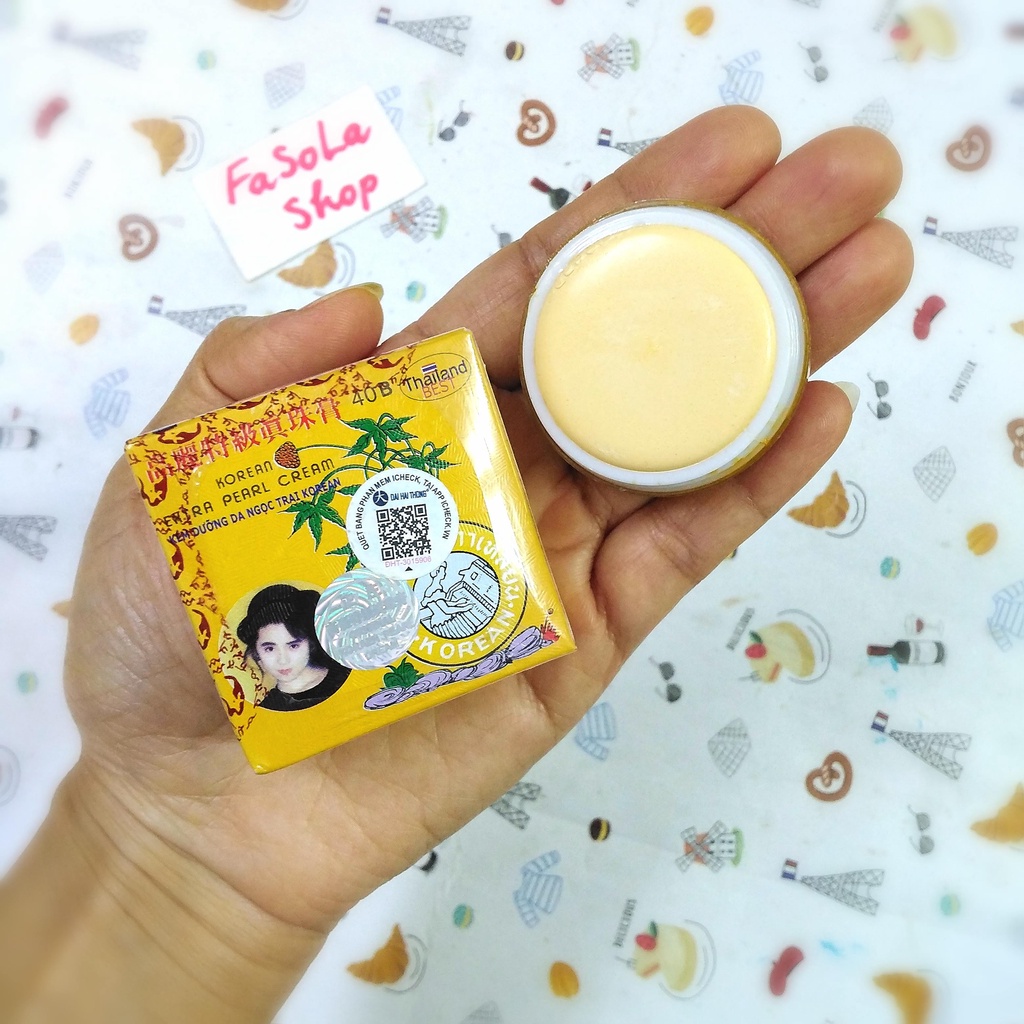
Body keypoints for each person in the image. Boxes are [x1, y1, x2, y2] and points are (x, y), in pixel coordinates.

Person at [0, 107, 913, 1021]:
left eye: (281, 641)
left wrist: (156, 851)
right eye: (268, 647)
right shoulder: (268, 681)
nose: (277, 656)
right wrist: (160, 833)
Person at [236, 584, 349, 712]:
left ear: (310, 643)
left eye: (293, 646)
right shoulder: (269, 708)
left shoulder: (345, 676)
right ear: (256, 651)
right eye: (270, 649)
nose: (283, 660)